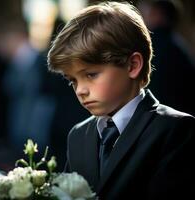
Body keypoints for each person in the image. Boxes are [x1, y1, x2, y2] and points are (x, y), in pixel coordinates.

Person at [47, 1, 195, 200]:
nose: (80, 90)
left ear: (133, 65)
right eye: (72, 80)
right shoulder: (78, 135)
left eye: (91, 74)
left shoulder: (176, 130)